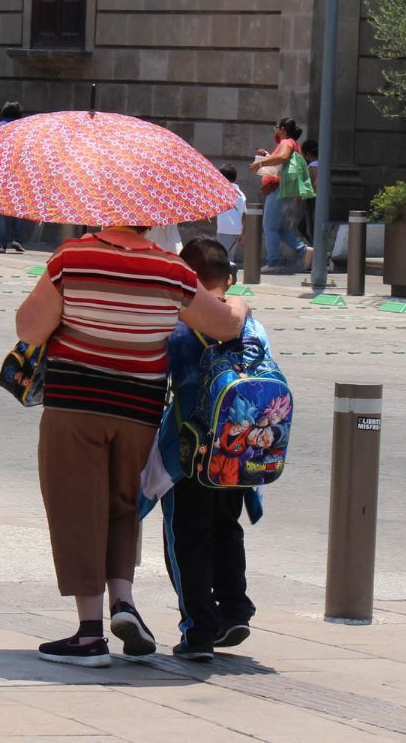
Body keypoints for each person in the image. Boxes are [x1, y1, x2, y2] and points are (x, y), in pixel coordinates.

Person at [14, 226, 248, 667]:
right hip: (137, 410)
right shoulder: (171, 269)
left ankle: (88, 634)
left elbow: (29, 327)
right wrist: (238, 302)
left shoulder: (72, 258)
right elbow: (223, 325)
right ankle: (122, 601)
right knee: (122, 505)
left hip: (76, 406)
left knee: (77, 508)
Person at [151, 237, 268, 662]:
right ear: (230, 280)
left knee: (187, 538)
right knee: (226, 529)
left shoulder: (178, 325)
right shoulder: (251, 324)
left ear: (185, 279)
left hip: (191, 454)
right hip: (240, 451)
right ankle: (235, 609)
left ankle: (198, 628)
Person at [248, 119, 309, 273]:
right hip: (284, 190)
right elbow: (281, 162)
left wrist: (260, 163)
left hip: (278, 190)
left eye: (276, 128)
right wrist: (267, 156)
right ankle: (304, 250)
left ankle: (273, 262)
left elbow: (282, 157)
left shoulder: (287, 142)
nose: (274, 131)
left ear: (282, 129)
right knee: (278, 228)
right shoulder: (291, 144)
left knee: (269, 227)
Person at [0, 102, 25, 253]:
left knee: (1, 210)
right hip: (19, 172)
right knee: (18, 207)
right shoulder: (24, 127)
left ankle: (1, 244)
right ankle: (17, 239)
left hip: (0, 172)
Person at [214, 166, 246, 266]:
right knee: (229, 258)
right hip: (236, 230)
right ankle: (230, 277)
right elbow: (244, 214)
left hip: (225, 228)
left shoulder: (222, 191)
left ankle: (226, 278)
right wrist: (242, 232)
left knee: (221, 258)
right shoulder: (241, 194)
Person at [293, 139, 320, 246]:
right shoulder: (320, 164)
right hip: (313, 200)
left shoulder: (313, 166)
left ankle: (318, 251)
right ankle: (316, 249)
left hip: (312, 201)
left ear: (308, 154)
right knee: (303, 227)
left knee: (310, 229)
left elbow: (315, 183)